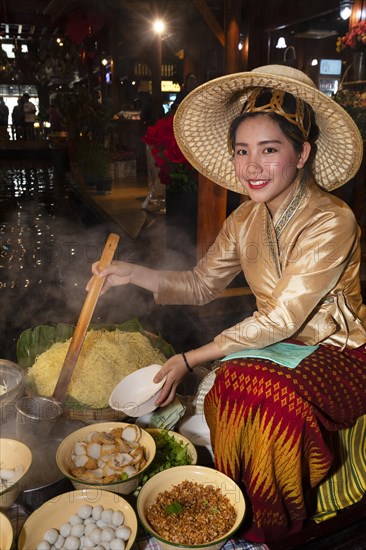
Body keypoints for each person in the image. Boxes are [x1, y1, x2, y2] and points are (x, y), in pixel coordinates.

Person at [87, 65, 366, 543]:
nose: (252, 166)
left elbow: (282, 317)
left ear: (302, 154)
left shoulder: (332, 219)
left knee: (265, 396)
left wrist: (189, 358)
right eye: (242, 151)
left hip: (339, 350)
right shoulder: (245, 219)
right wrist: (133, 274)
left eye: (269, 150)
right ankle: (236, 509)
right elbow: (200, 284)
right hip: (276, 343)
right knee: (232, 382)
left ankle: (272, 530)